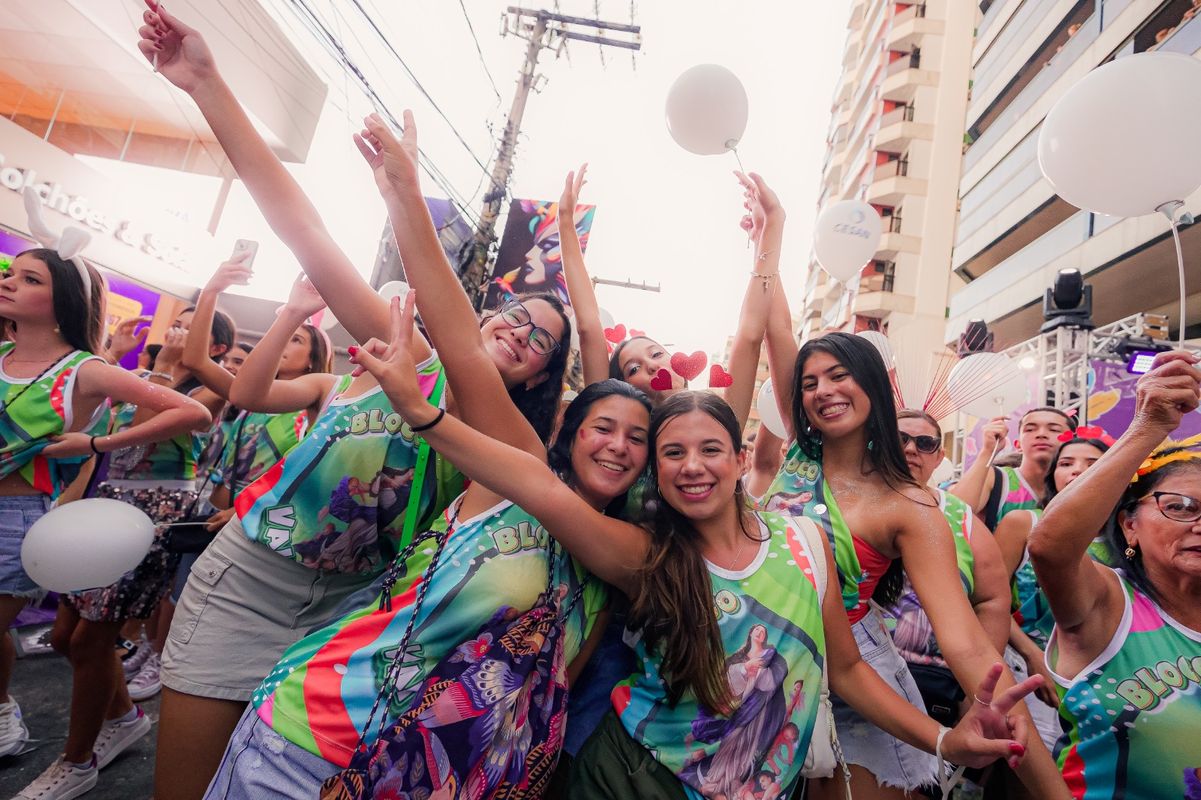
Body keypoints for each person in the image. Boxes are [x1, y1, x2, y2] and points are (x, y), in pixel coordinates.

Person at [305, 293, 1043, 800]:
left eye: (711, 449)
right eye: (673, 453)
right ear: (655, 471)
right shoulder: (647, 553)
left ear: (738, 458)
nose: (693, 465)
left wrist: (944, 742)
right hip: (630, 777)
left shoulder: (806, 539)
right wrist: (419, 409)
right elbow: (539, 484)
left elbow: (845, 671)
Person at [137, 10, 573, 797]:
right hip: (249, 580)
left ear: (544, 376)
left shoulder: (509, 447)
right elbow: (306, 232)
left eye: (539, 337)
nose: (518, 331)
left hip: (352, 618)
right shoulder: (405, 348)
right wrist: (206, 84)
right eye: (510, 314)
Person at [205, 318, 633, 798]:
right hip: (309, 742)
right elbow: (467, 354)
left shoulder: (605, 578)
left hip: (423, 785)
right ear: (569, 435)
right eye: (603, 428)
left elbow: (544, 705)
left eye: (637, 439)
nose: (618, 445)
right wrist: (411, 401)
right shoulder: (510, 482)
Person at [761, 321, 1068, 797]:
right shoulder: (800, 459)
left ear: (874, 387)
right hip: (761, 663)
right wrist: (768, 250)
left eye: (839, 375)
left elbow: (965, 637)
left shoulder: (910, 505)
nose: (824, 390)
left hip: (857, 691)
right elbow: (770, 330)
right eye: (809, 382)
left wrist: (1045, 782)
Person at [0, 244, 210, 797]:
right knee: (73, 639)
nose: (9, 282)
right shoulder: (12, 354)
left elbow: (192, 414)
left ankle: (66, 750)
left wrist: (97, 439)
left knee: (89, 640)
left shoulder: (95, 372)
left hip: (118, 514)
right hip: (99, 505)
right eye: (10, 273)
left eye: (29, 278)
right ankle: (122, 720)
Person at [1030, 350, 1201, 799]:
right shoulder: (1109, 604)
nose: (1199, 523)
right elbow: (1049, 547)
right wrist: (1148, 426)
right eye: (1180, 507)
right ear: (1129, 525)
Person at [887, 410, 1011, 728]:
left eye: (924, 442)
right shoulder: (848, 501)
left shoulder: (959, 515)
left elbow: (993, 602)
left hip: (935, 684)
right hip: (853, 675)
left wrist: (976, 692)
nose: (911, 449)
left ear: (939, 455)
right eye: (900, 438)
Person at [996, 432, 1111, 753]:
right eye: (1067, 463)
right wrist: (1033, 658)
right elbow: (987, 603)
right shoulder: (1022, 524)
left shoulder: (1130, 538)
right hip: (1027, 673)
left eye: (1093, 463)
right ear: (1053, 476)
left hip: (1105, 681)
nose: (1077, 469)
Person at [951, 408, 1071, 529]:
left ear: (1072, 442)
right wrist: (987, 451)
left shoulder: (1078, 485)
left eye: (1054, 430)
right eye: (1030, 429)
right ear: (1018, 445)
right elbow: (953, 513)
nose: (1041, 434)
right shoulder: (997, 479)